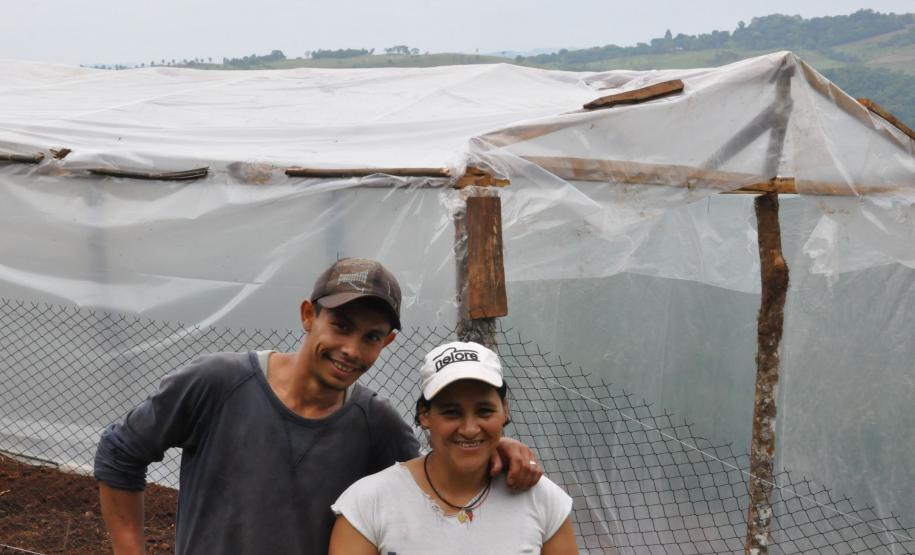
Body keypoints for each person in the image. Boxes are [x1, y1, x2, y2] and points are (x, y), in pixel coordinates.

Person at [94, 258, 542, 555]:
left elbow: (432, 481)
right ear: (309, 315)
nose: (350, 349)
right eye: (340, 326)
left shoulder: (375, 424)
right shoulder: (218, 383)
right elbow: (120, 453)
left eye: (370, 337)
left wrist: (496, 448)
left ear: (387, 342)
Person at [329, 341, 578, 555]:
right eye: (451, 412)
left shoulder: (542, 499)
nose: (469, 429)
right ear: (424, 415)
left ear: (505, 410)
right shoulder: (368, 503)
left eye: (484, 411)